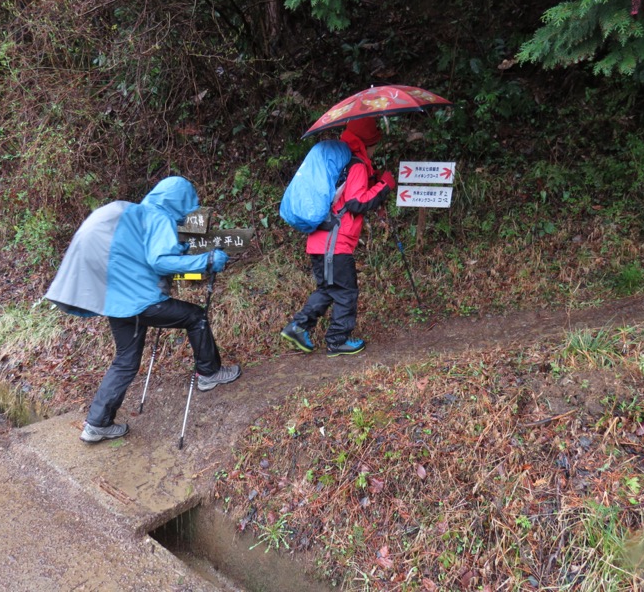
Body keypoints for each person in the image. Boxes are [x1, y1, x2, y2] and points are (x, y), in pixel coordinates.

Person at [45, 176, 241, 443]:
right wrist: (206, 260)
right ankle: (209, 373)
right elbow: (159, 261)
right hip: (140, 301)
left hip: (118, 301)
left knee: (125, 360)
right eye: (188, 202)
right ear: (179, 200)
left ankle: (97, 425)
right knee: (196, 317)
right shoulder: (160, 218)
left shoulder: (139, 214)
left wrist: (180, 249)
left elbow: (140, 254)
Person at [281, 117, 396, 357]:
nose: (376, 149)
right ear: (367, 143)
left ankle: (298, 327)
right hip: (335, 244)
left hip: (321, 241)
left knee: (328, 290)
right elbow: (356, 202)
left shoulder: (345, 163)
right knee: (345, 292)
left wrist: (374, 183)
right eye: (374, 143)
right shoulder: (356, 165)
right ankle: (337, 340)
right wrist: (384, 184)